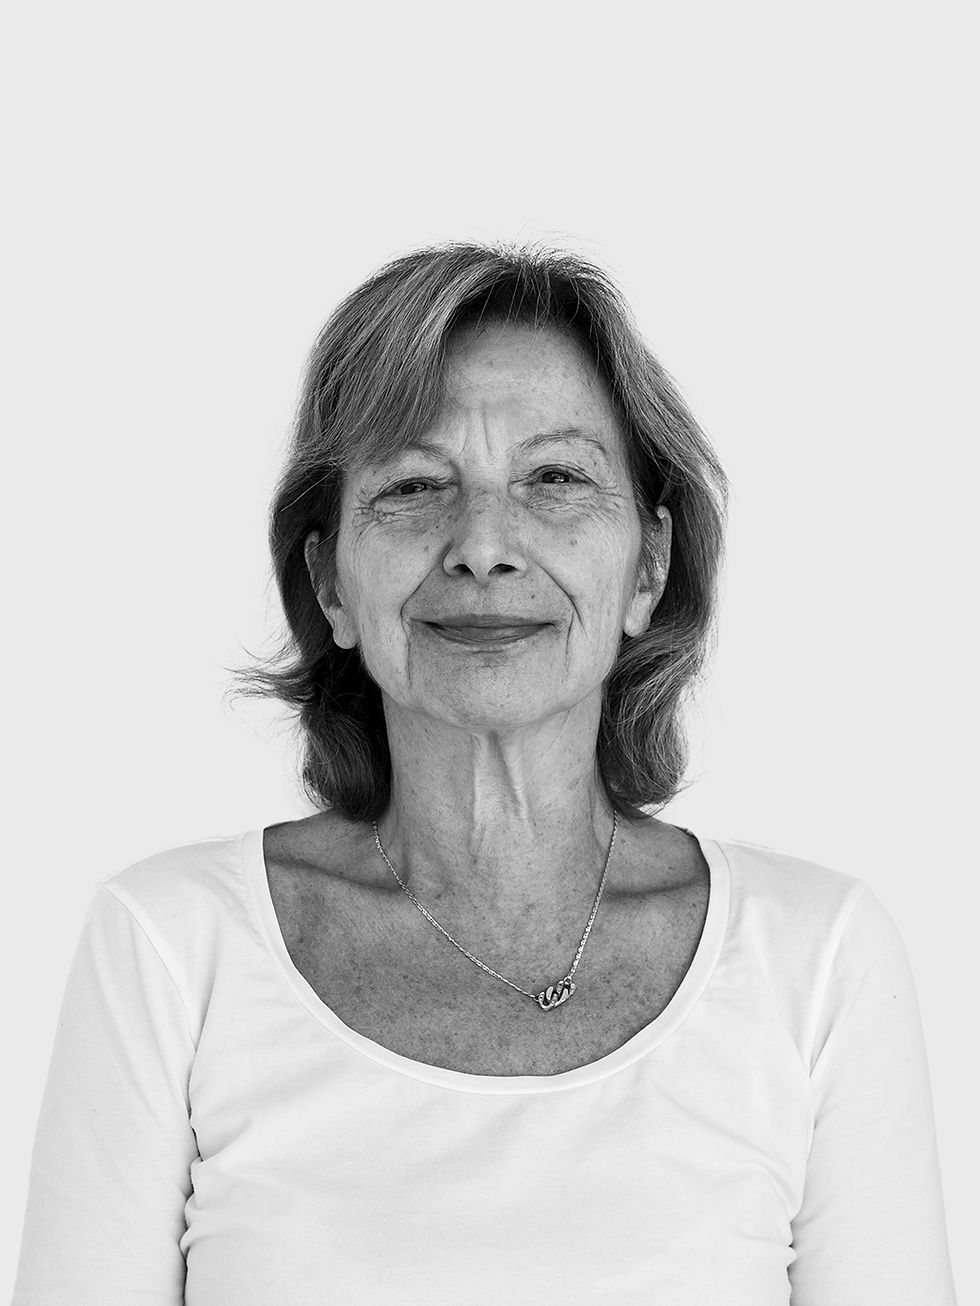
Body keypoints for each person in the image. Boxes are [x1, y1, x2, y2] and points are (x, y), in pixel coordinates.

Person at [12, 241, 957, 1305]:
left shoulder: (816, 960)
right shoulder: (170, 948)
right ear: (329, 582)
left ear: (648, 566)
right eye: (414, 486)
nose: (483, 546)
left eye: (554, 479)